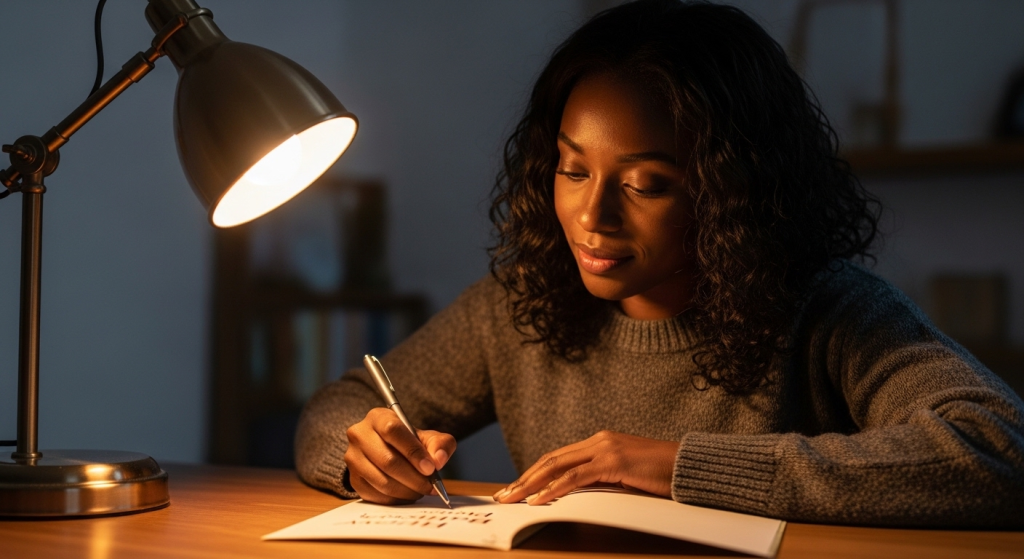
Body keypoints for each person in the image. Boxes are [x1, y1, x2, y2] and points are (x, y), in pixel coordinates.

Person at [295, 0, 1024, 527]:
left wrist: (677, 465)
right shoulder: (518, 306)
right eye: (573, 170)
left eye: (645, 184)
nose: (593, 215)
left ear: (734, 190)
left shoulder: (829, 310)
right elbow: (339, 405)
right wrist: (364, 456)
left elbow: (999, 446)